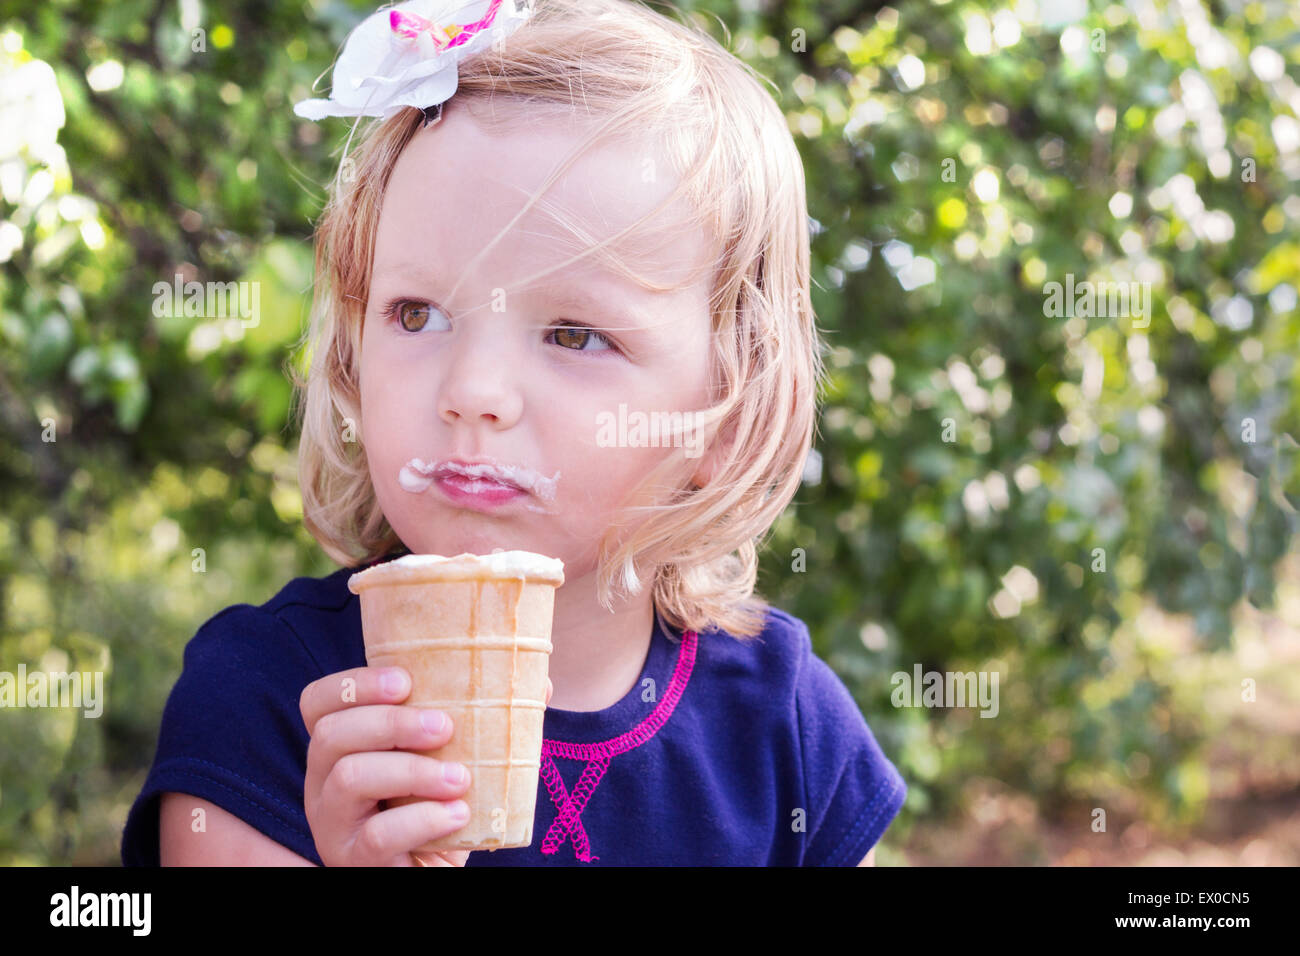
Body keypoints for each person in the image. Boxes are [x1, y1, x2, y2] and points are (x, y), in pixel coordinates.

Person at [121, 0, 906, 867]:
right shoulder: (267, 704)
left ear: (726, 409)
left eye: (574, 335)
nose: (473, 393)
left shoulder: (788, 730)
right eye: (416, 314)